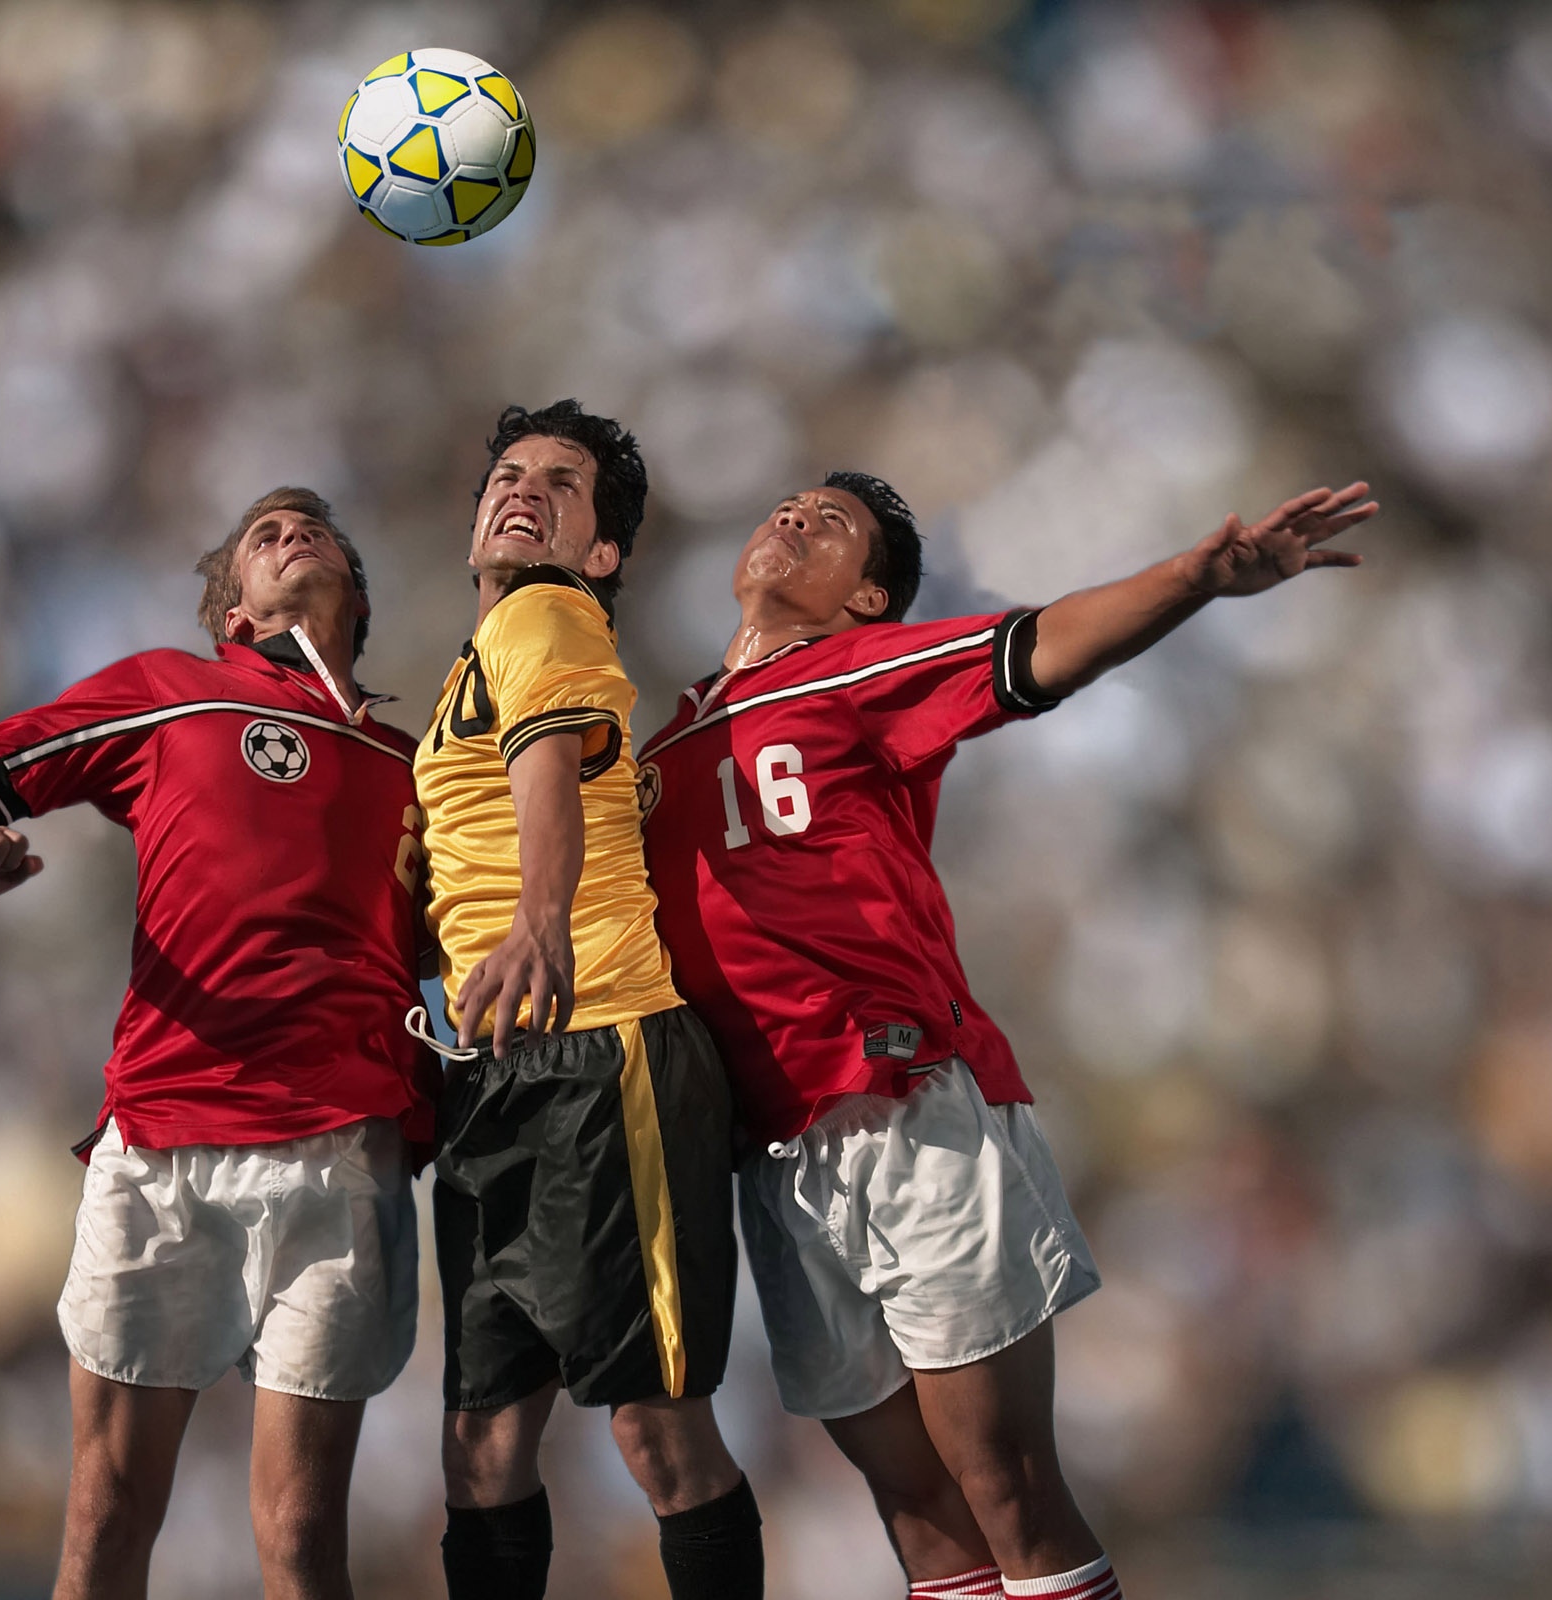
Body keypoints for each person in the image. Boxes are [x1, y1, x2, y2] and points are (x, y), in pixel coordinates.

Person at [637, 472, 1379, 1600]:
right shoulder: (667, 739)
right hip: (774, 1154)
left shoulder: (847, 672)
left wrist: (1195, 577)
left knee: (1004, 1480)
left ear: (866, 598)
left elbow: (1033, 652)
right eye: (788, 504)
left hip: (904, 1106)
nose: (794, 517)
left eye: (831, 524)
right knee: (921, 1519)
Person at [0, 489, 430, 1600]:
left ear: (360, 592)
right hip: (162, 1139)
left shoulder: (418, 767)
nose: (290, 535)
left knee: (299, 1530)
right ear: (230, 613)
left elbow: (454, 941)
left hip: (339, 1151)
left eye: (315, 527)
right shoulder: (173, 696)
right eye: (262, 535)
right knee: (107, 1514)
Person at [413, 400, 760, 1600]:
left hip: (602, 1051)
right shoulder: (481, 651)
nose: (525, 490)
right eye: (507, 474)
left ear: (601, 553)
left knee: (654, 1432)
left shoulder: (550, 612)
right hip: (501, 1071)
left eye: (563, 485)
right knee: (482, 1444)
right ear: (470, 527)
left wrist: (540, 921)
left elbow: (550, 779)